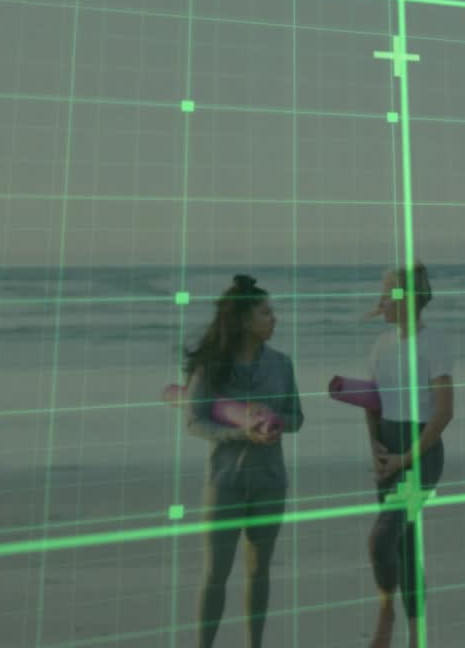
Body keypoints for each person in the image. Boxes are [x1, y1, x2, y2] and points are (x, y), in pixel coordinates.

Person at [183, 274, 304, 648]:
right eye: (266, 312)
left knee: (259, 572)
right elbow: (194, 421)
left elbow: (297, 417)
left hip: (270, 481)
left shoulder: (282, 364)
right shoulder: (212, 367)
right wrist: (240, 432)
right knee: (216, 573)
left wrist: (276, 420)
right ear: (244, 320)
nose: (274, 318)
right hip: (225, 483)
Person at [364, 264, 453, 648]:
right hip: (387, 453)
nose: (382, 299)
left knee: (381, 539)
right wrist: (377, 449)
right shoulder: (381, 345)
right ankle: (418, 636)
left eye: (389, 292)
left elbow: (444, 412)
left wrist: (405, 459)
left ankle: (386, 610)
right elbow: (371, 401)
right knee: (404, 542)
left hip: (422, 457)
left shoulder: (433, 343)